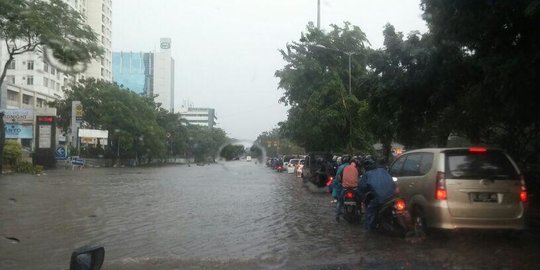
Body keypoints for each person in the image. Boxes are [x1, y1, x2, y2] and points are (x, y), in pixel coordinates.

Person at [358, 156, 396, 230]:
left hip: (380, 198)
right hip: (392, 196)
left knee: (370, 211)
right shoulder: (383, 170)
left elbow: (362, 187)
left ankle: (369, 227)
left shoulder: (367, 174)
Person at [336, 157, 360, 222]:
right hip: (354, 188)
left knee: (340, 201)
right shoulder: (357, 169)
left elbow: (339, 177)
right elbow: (358, 179)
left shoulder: (344, 168)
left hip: (345, 189)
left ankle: (337, 216)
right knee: (360, 199)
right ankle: (360, 211)